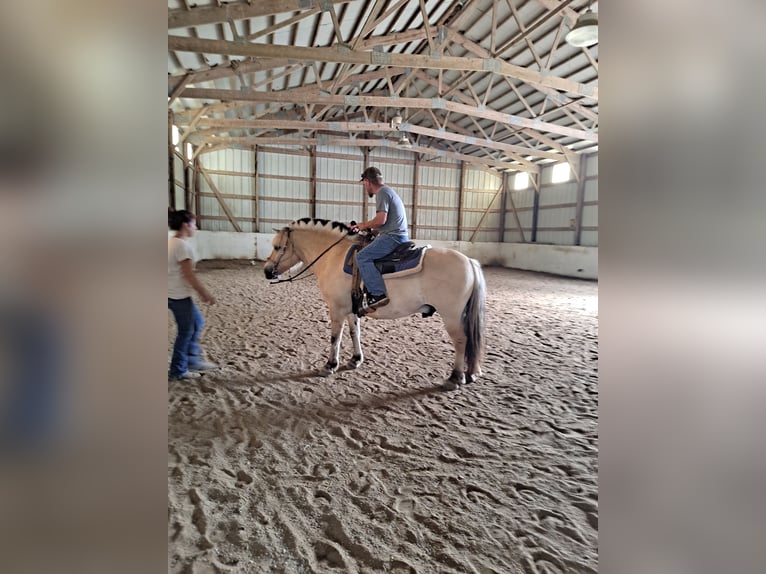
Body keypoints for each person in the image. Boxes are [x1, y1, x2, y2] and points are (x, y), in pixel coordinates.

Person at [349, 167, 409, 310]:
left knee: (362, 257)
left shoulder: (381, 192)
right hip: (395, 234)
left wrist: (363, 225)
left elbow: (381, 219)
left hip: (392, 237)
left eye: (364, 184)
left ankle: (378, 294)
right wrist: (373, 231)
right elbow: (385, 223)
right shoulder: (389, 191)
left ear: (368, 181)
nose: (365, 187)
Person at [168, 210, 217, 380]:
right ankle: (178, 370)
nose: (195, 227)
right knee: (186, 331)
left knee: (197, 322)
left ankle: (192, 360)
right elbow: (189, 275)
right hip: (179, 296)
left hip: (171, 294)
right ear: (185, 225)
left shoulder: (170, 243)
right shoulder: (181, 246)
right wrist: (205, 293)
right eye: (194, 224)